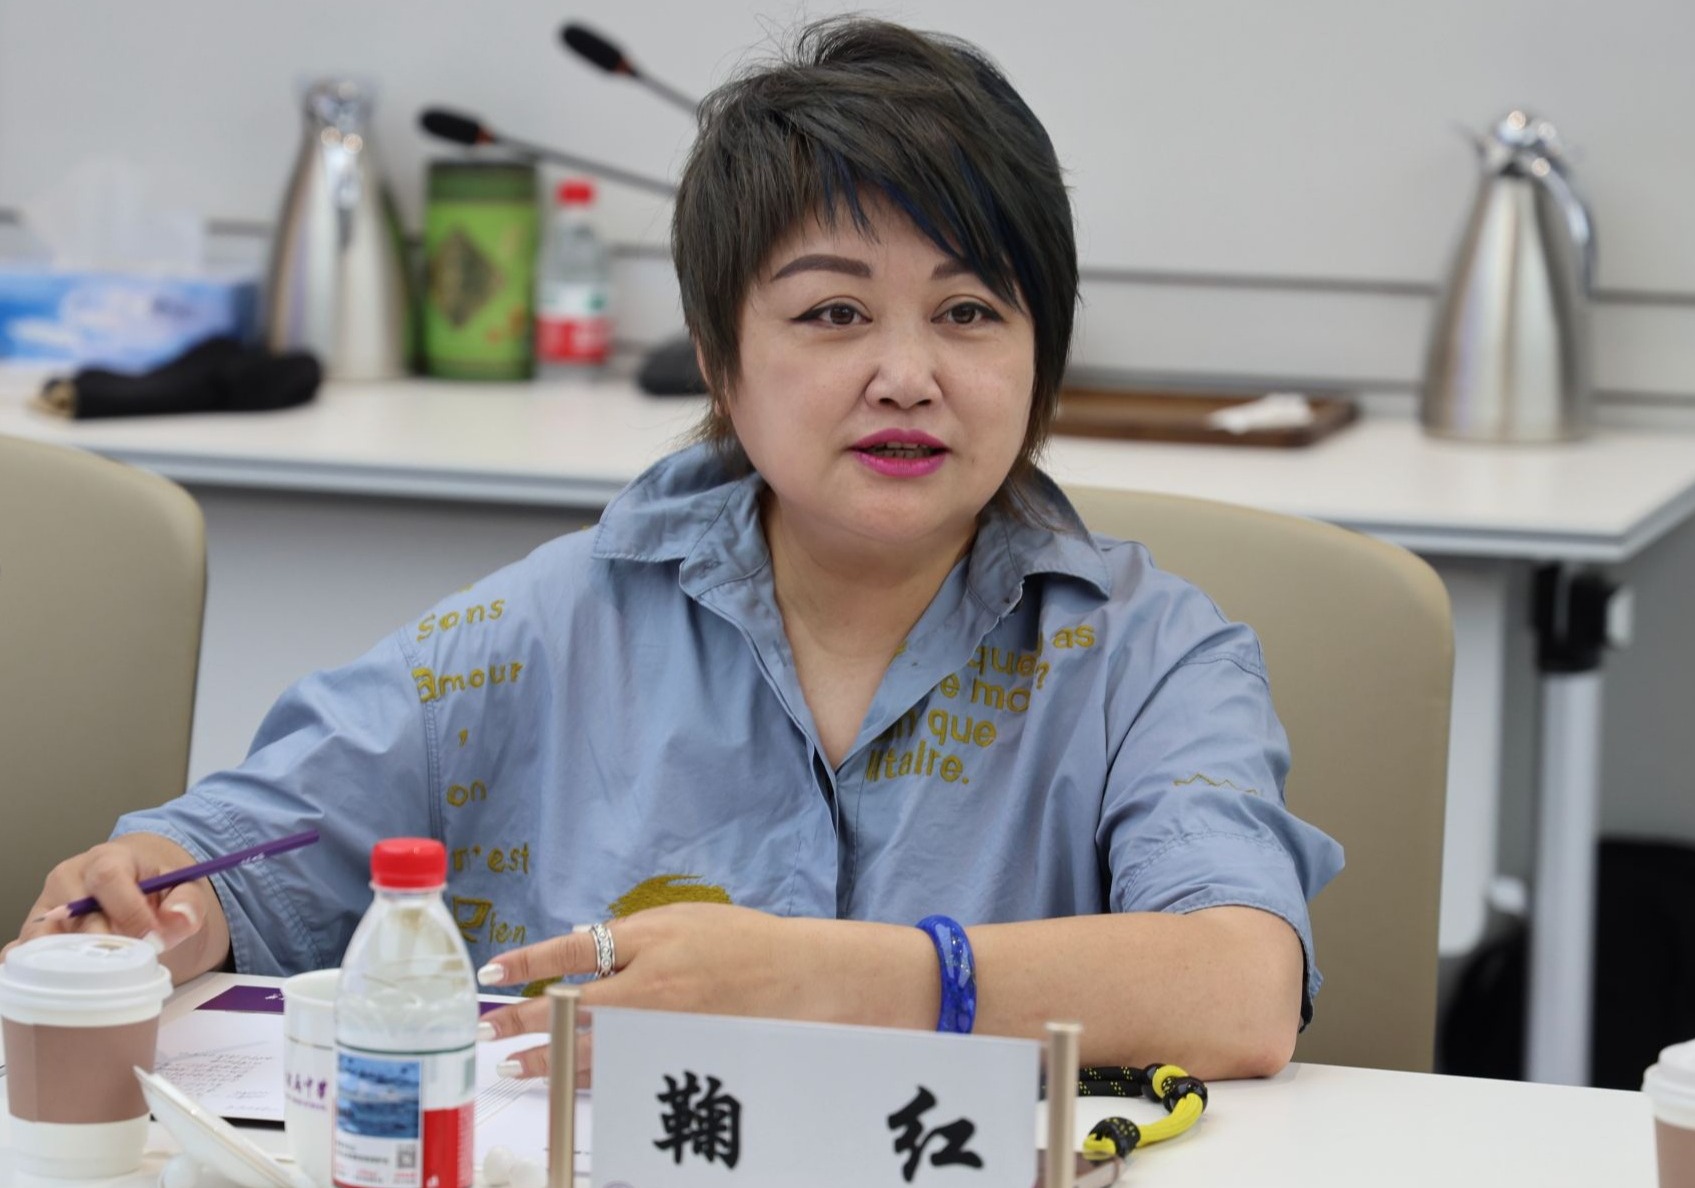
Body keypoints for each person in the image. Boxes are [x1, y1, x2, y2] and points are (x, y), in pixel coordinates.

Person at [13, 17, 1341, 1082]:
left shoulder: (1150, 657)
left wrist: (836, 979)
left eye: (970, 312)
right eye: (833, 313)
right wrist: (151, 900)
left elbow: (1239, 989)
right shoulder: (549, 625)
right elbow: (258, 853)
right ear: (718, 359)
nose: (907, 374)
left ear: (1042, 353)